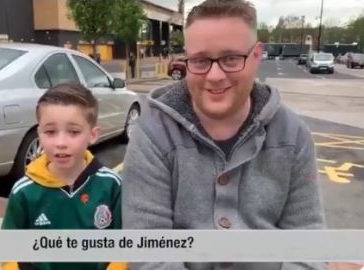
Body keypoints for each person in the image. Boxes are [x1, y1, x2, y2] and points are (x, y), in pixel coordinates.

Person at [122, 0, 326, 269]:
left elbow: (308, 248)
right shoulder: (151, 135)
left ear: (256, 56)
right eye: (200, 60)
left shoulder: (293, 136)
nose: (215, 75)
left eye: (231, 58)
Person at [1, 83, 125, 270]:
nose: (60, 143)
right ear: (39, 134)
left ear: (93, 135)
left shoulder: (111, 185)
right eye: (50, 132)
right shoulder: (24, 192)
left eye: (74, 132)